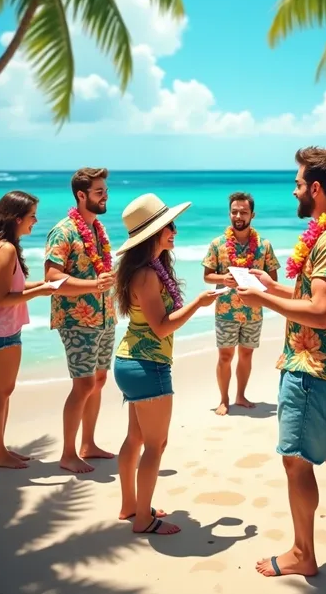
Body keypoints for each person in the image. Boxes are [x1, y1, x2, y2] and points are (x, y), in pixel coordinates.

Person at [237, 147, 326, 594]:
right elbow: (318, 295)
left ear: (316, 189)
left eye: (298, 184)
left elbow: (321, 311)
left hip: (317, 373)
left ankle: (303, 553)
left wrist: (261, 301)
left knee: (296, 463)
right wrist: (273, 284)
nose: (294, 190)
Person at [114, 193, 217, 535]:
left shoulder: (150, 268)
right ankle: (143, 518)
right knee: (155, 445)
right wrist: (199, 304)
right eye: (167, 226)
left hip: (131, 361)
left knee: (135, 438)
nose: (174, 230)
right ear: (152, 234)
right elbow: (161, 327)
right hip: (148, 365)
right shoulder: (147, 275)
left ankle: (131, 504)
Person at [45, 168, 115, 474]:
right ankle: (68, 453)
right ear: (81, 195)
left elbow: (104, 271)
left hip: (105, 316)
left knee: (98, 381)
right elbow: (51, 277)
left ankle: (89, 444)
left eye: (105, 190)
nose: (105, 196)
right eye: (99, 191)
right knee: (83, 384)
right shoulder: (63, 231)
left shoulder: (99, 230)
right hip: (76, 319)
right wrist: (92, 286)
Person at [0, 191, 54, 469]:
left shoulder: (1, 245)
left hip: (0, 326)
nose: (36, 221)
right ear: (17, 219)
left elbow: (8, 288)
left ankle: (0, 448)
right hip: (3, 328)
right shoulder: (6, 249)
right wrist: (39, 294)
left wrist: (41, 286)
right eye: (32, 216)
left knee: (2, 391)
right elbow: (5, 298)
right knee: (3, 391)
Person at [202, 192, 280, 415]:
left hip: (254, 311)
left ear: (252, 215)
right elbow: (207, 276)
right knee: (225, 356)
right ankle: (224, 399)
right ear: (229, 213)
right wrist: (222, 279)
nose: (238, 216)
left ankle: (241, 395)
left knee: (247, 355)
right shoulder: (217, 244)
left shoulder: (264, 246)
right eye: (234, 211)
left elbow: (273, 281)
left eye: (243, 212)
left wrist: (258, 282)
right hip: (226, 310)